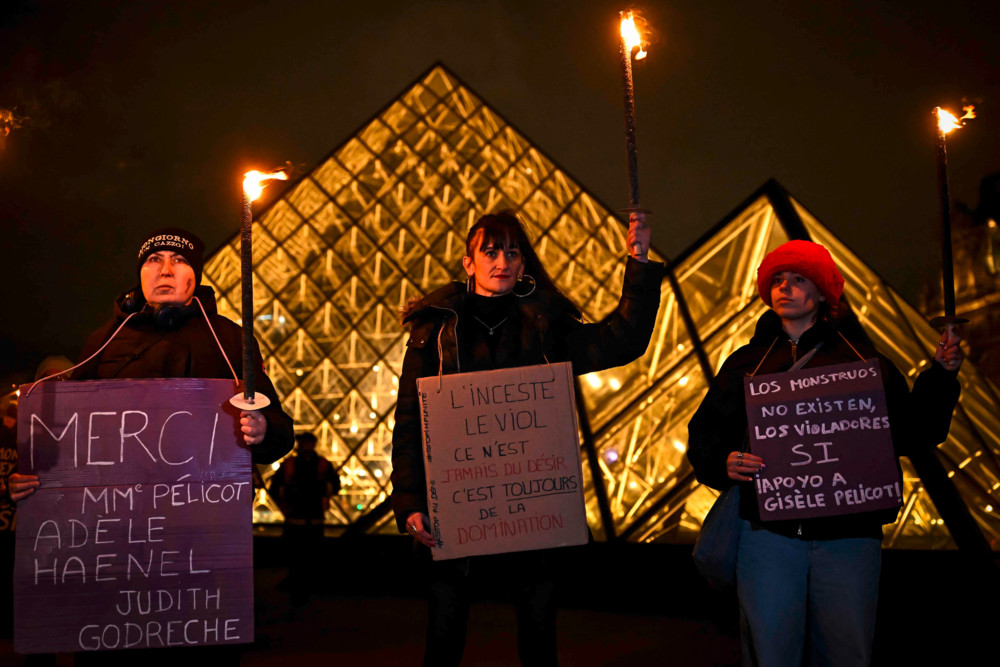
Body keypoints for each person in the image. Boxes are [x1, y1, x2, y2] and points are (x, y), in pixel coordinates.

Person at [390, 209, 664, 666]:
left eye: (512, 253)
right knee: (442, 643)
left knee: (539, 643)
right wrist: (410, 501)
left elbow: (623, 340)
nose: (502, 261)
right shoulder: (433, 331)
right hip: (457, 511)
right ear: (468, 262)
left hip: (530, 514)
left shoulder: (547, 326)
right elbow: (408, 422)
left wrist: (638, 261)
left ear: (523, 265)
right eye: (491, 251)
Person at [687, 239, 963, 667]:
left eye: (799, 280)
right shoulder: (744, 364)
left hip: (849, 540)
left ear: (821, 294)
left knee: (846, 655)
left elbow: (913, 431)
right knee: (770, 655)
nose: (785, 287)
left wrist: (941, 378)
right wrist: (721, 461)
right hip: (769, 537)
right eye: (777, 280)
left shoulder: (863, 361)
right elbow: (704, 433)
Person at [8, 227, 293, 496]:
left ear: (196, 275)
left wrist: (265, 429)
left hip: (200, 510)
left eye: (179, 260)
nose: (165, 270)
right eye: (154, 259)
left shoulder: (231, 339)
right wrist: (33, 477)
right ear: (140, 274)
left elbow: (281, 430)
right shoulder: (103, 340)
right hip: (115, 512)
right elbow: (68, 432)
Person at [269, 431, 340, 605]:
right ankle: (302, 589)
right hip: (307, 518)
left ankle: (300, 590)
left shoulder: (290, 465)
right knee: (302, 557)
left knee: (303, 557)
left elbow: (275, 488)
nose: (305, 446)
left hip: (300, 518)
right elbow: (335, 486)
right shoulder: (321, 465)